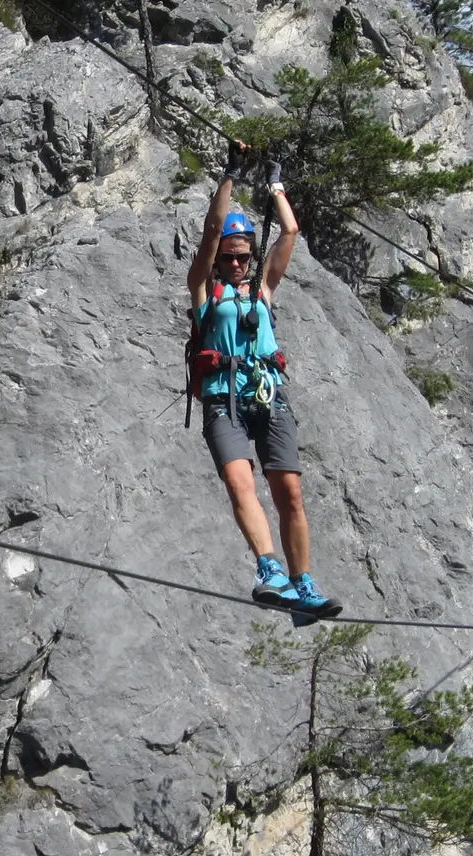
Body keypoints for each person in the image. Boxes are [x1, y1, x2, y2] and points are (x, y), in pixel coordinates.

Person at [186, 142, 343, 622]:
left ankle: (303, 585)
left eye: (243, 257)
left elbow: (290, 231)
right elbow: (213, 230)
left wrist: (276, 185)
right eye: (230, 257)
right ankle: (269, 569)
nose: (237, 263)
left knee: (289, 493)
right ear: (218, 260)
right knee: (241, 484)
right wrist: (231, 174)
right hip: (223, 399)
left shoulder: (264, 289)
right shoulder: (204, 290)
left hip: (269, 396)